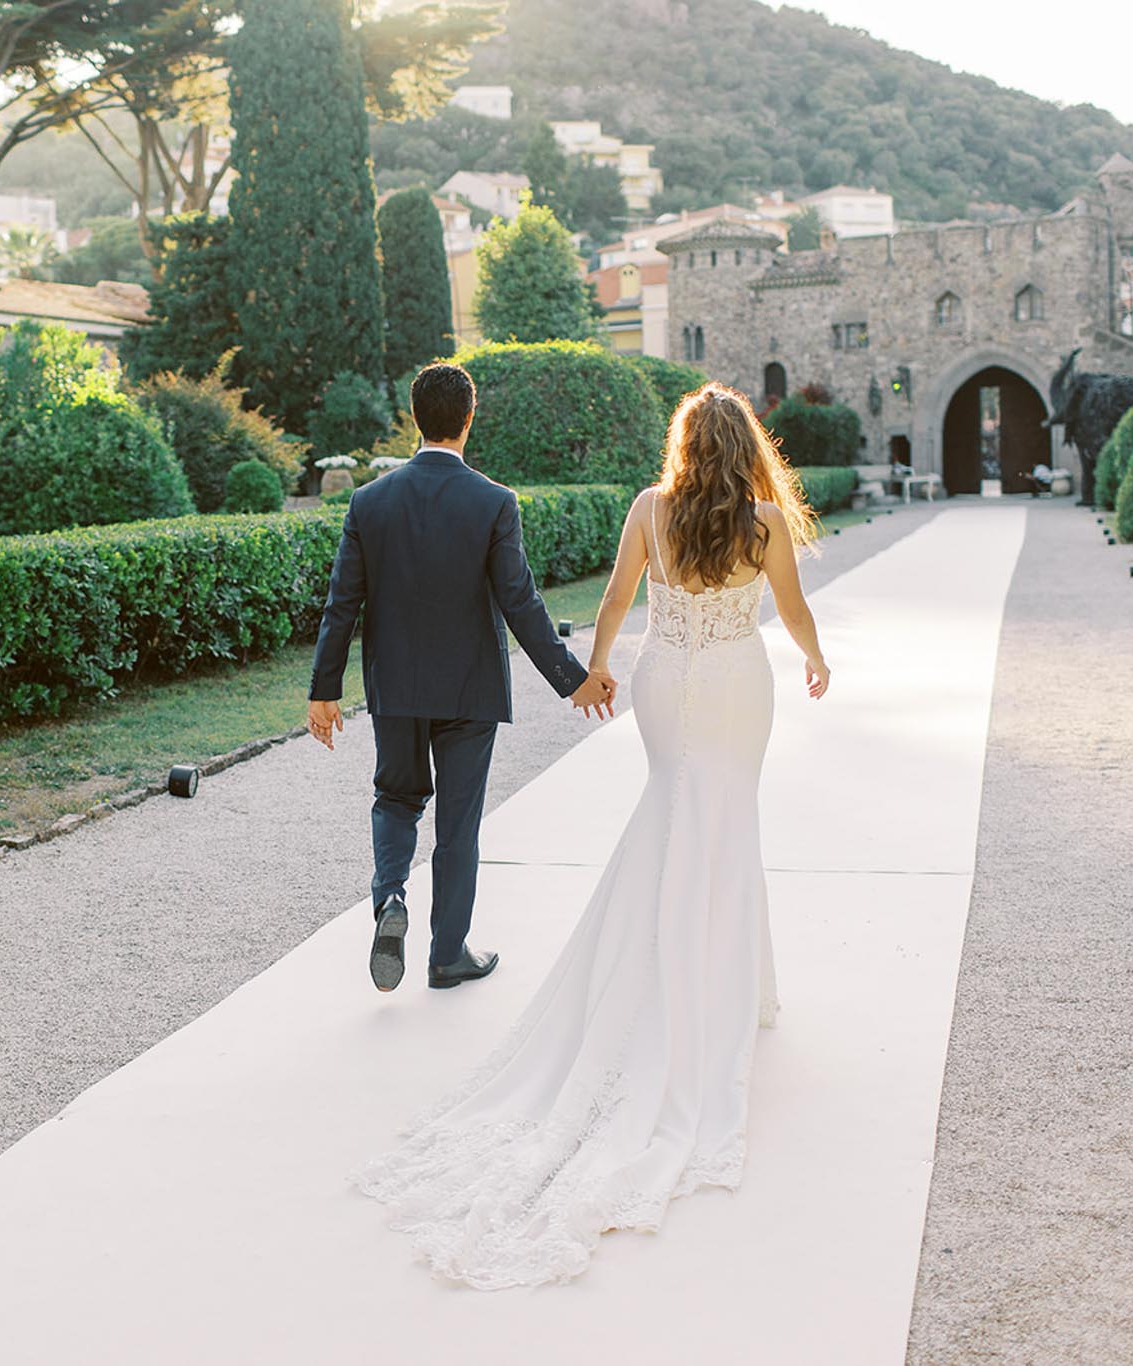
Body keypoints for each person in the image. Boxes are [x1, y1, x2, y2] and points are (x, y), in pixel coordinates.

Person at [350, 381, 830, 1290]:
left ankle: (673, 970)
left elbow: (614, 601)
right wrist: (815, 657)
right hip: (734, 683)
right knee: (727, 819)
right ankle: (732, 984)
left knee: (670, 807)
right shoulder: (764, 519)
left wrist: (601, 670)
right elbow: (795, 611)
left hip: (663, 681)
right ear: (747, 446)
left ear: (685, 443)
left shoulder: (652, 510)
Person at [307, 362, 616, 994]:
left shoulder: (369, 501)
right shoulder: (494, 501)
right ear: (469, 419)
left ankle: (390, 898)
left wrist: (324, 690)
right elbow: (521, 602)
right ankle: (447, 954)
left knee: (395, 798)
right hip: (471, 690)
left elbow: (343, 603)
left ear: (414, 419)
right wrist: (574, 678)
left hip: (394, 686)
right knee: (458, 823)